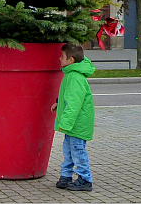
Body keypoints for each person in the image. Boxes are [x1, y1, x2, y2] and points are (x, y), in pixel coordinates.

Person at [51, 43, 95, 192]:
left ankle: (85, 179)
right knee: (68, 151)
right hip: (73, 124)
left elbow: (74, 104)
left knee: (77, 151)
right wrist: (58, 103)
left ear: (71, 60)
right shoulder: (70, 74)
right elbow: (67, 96)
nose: (59, 58)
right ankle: (66, 176)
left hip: (76, 124)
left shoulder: (75, 77)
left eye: (62, 56)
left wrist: (65, 123)